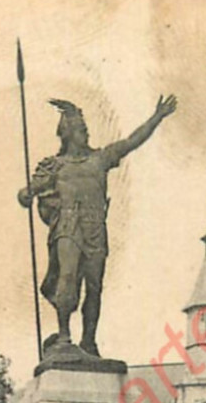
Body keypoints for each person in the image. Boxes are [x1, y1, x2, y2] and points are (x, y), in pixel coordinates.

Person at [19, 94, 177, 356]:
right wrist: (24, 194)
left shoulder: (100, 158)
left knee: (94, 286)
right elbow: (28, 191)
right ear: (67, 133)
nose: (85, 134)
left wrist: (157, 117)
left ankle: (89, 341)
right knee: (68, 276)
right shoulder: (55, 166)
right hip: (68, 225)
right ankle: (64, 336)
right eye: (81, 130)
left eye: (86, 130)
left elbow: (131, 142)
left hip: (95, 227)